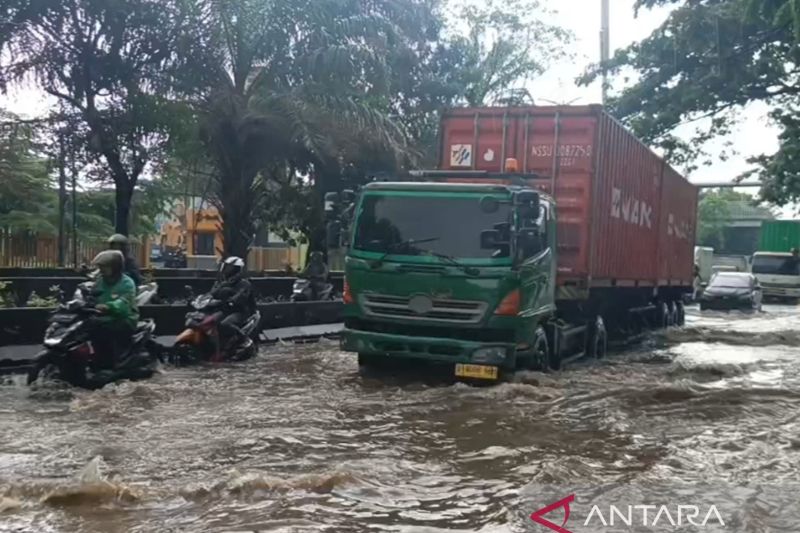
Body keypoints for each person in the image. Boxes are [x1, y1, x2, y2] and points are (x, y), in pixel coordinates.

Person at [90, 250, 139, 369]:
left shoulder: (127, 283)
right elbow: (91, 294)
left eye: (104, 267)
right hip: (101, 317)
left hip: (124, 318)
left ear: (115, 267)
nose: (101, 270)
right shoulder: (100, 281)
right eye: (100, 267)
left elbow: (123, 303)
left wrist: (108, 306)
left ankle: (111, 364)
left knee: (105, 331)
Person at [209, 256, 256, 354]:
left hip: (240, 311)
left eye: (229, 268)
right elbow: (212, 293)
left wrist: (231, 300)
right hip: (225, 310)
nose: (226, 270)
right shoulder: (222, 282)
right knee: (209, 321)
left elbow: (240, 297)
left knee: (225, 324)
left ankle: (244, 339)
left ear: (236, 270)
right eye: (226, 267)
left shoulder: (244, 284)